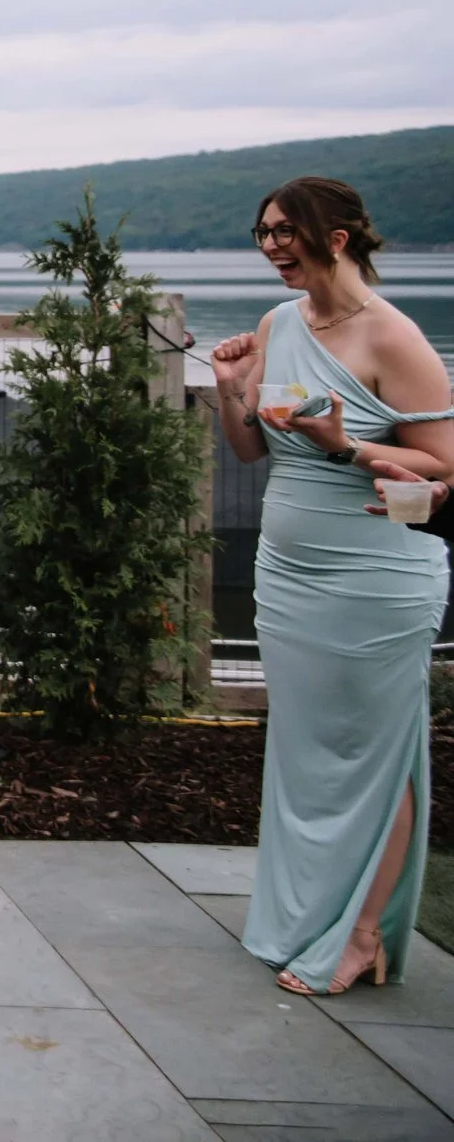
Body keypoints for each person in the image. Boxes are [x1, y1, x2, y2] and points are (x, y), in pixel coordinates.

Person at [208, 177, 451, 997]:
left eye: (286, 231)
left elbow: (443, 465)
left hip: (376, 575)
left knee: (378, 755)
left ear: (338, 237)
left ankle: (360, 935)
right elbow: (248, 450)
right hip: (290, 573)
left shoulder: (394, 337)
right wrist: (229, 387)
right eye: (263, 231)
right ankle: (306, 916)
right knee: (309, 754)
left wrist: (347, 445)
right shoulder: (280, 324)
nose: (272, 244)